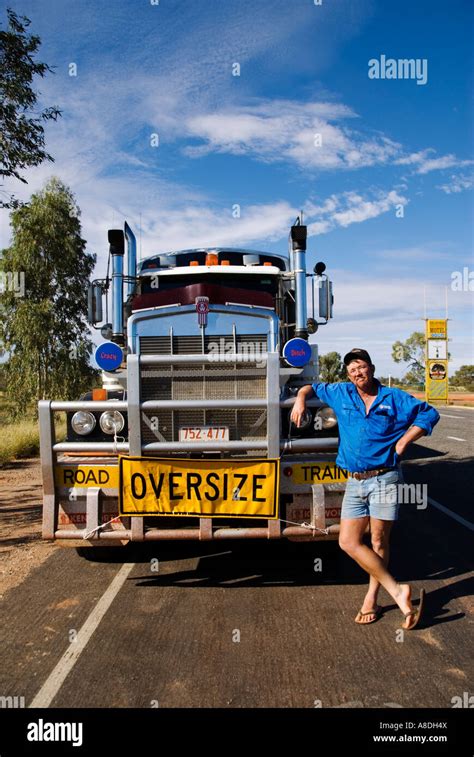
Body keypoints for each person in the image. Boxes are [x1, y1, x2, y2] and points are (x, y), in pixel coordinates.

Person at [290, 348, 440, 630]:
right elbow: (310, 386)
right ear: (348, 375)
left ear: (371, 367)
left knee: (379, 542)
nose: (358, 373)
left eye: (361, 367)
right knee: (347, 542)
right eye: (352, 370)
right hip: (355, 482)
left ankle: (372, 597)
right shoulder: (342, 393)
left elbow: (429, 413)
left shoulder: (393, 397)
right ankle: (398, 591)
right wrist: (300, 400)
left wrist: (405, 441)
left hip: (385, 478)